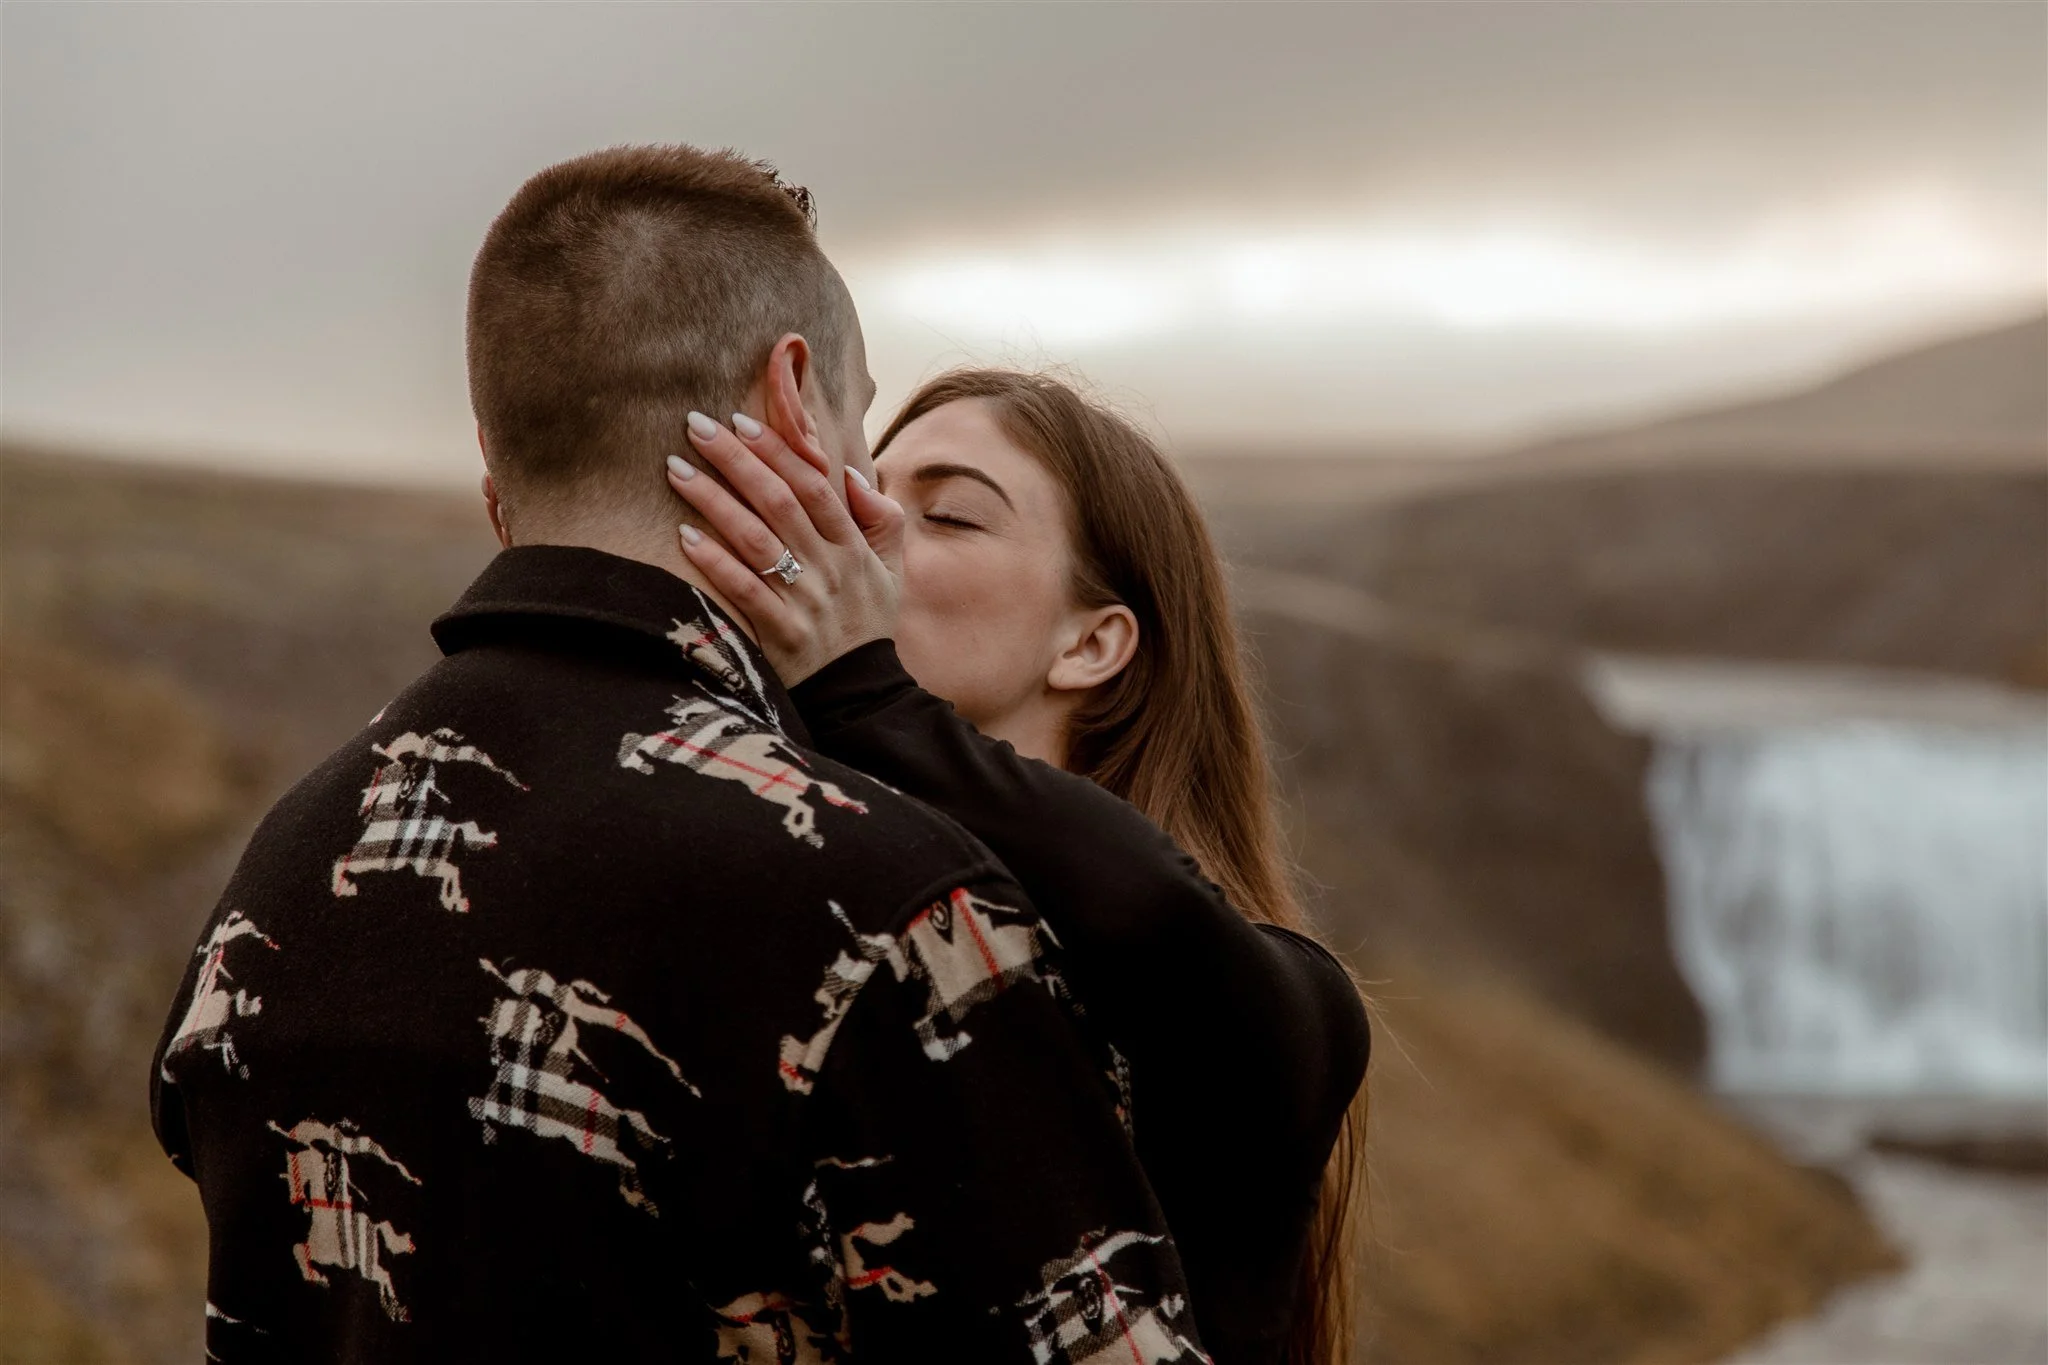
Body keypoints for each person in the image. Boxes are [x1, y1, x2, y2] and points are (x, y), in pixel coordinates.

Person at [149, 145, 1207, 1364]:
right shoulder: (880, 901)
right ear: (792, 401)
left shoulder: (277, 880)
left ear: (500, 465)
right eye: (862, 423)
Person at [663, 371, 1373, 1363]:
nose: (857, 526)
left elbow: (1148, 915)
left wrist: (857, 693)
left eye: (947, 514)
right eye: (856, 486)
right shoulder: (799, 929)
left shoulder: (1283, 1012)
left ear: (1091, 643)